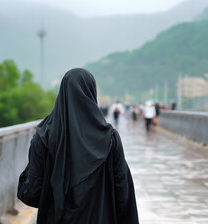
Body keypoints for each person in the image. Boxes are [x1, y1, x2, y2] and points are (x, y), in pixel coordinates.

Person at [17, 68, 139, 224]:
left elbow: (32, 193)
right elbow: (122, 193)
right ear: (91, 93)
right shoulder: (110, 138)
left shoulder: (43, 137)